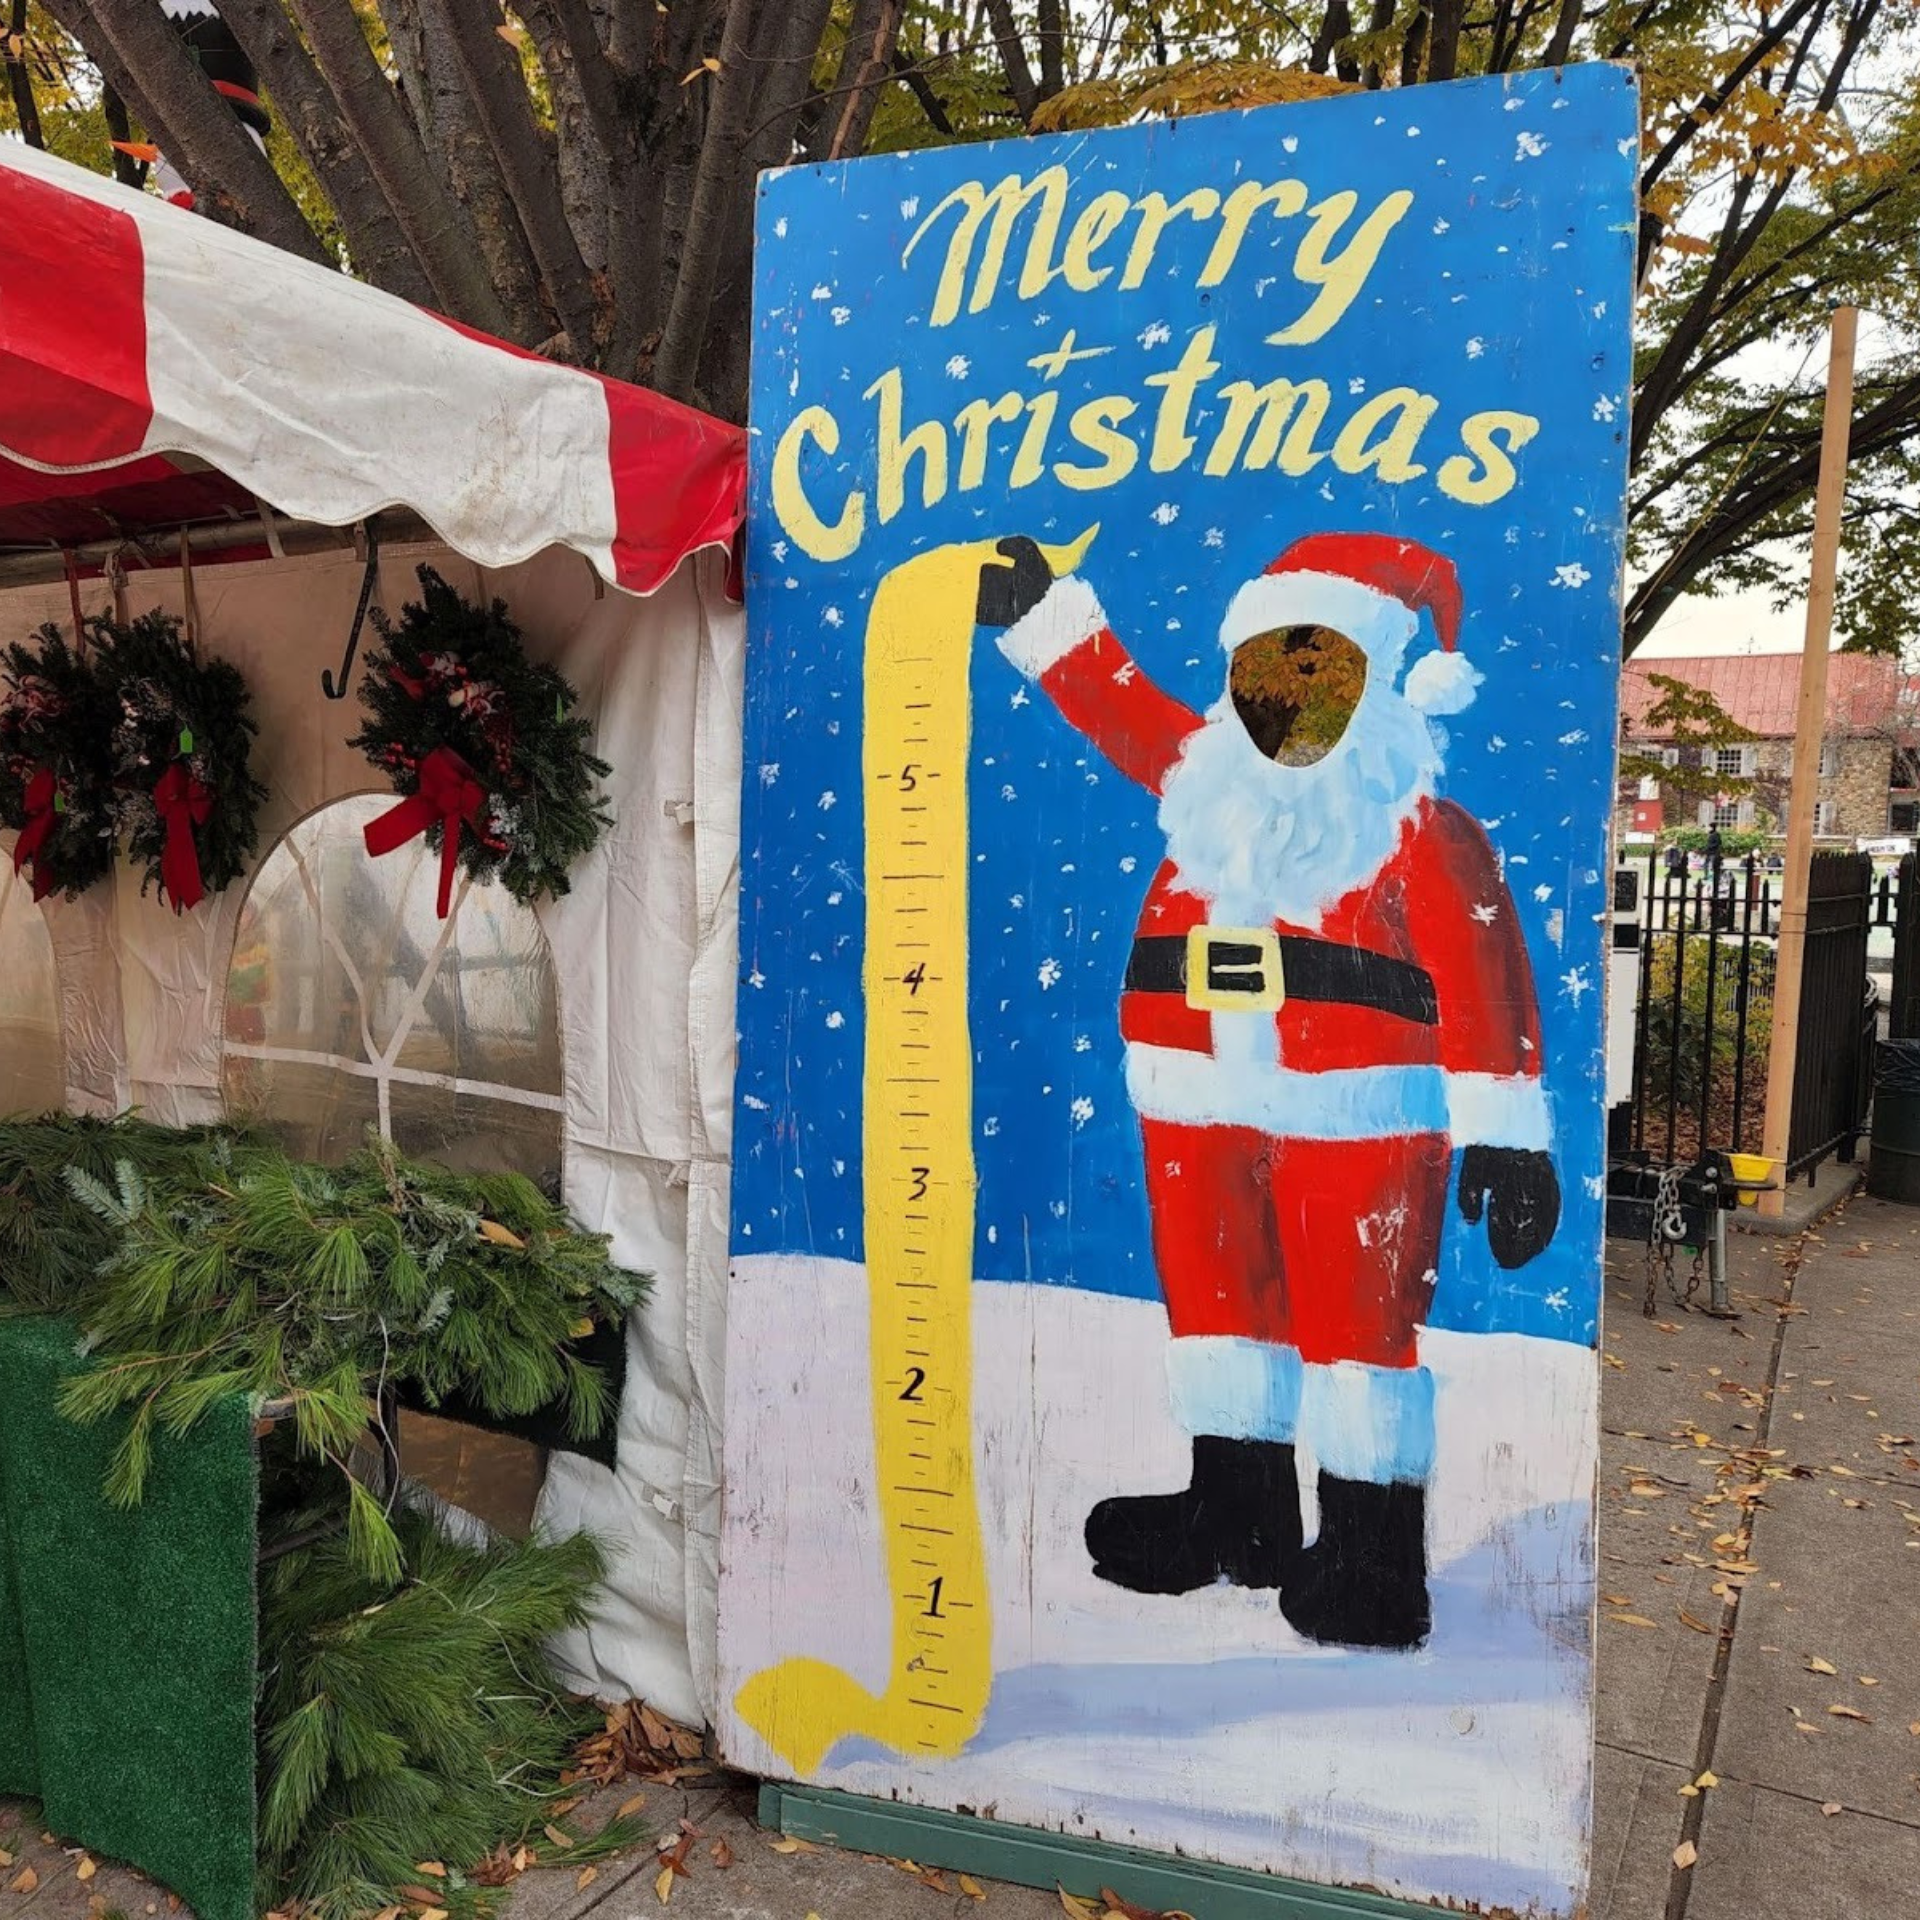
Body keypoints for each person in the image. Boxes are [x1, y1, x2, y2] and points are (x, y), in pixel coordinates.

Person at [976, 530, 1560, 1649]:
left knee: (1354, 1321)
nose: (1284, 700)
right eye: (1264, 669)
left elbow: (1487, 980)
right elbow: (1122, 706)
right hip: (1194, 1089)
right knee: (1218, 1302)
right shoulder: (1207, 777)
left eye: (1319, 669)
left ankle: (1370, 1556)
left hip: (1361, 1105)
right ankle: (1237, 1513)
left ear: (1376, 685)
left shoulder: (1421, 835)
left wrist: (1505, 1133)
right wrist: (1045, 615)